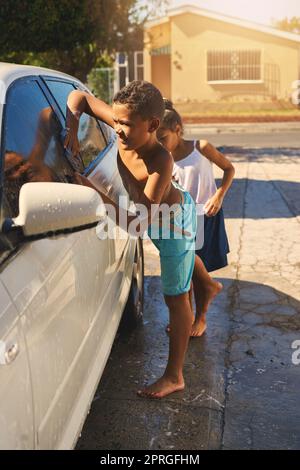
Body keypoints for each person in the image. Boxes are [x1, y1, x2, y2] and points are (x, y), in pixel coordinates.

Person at [64, 81, 197, 399]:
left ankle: (174, 376)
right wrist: (72, 127)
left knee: (175, 297)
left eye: (126, 125)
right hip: (154, 215)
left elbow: (137, 225)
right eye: (117, 121)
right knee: (185, 271)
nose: (118, 129)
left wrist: (93, 190)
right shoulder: (122, 119)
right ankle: (202, 285)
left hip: (172, 225)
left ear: (153, 126)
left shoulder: (159, 162)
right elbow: (78, 97)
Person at [157, 99, 235, 337]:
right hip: (180, 219)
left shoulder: (201, 147)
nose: (160, 143)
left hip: (205, 215)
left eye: (163, 137)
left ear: (178, 130)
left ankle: (200, 319)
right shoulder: (163, 158)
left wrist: (219, 196)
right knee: (185, 273)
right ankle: (186, 317)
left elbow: (229, 169)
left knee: (197, 276)